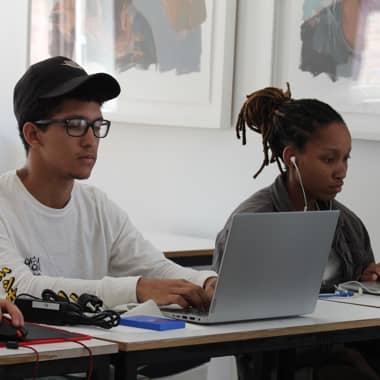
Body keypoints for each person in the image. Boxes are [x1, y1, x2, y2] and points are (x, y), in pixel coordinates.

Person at [0, 55, 216, 313]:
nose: (91, 140)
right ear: (34, 134)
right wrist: (135, 290)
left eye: (97, 125)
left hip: (92, 350)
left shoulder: (96, 205)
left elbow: (154, 267)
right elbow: (19, 290)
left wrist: (206, 282)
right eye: (76, 125)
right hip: (29, 352)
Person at [213, 84, 380, 380]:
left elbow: (357, 305)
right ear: (292, 158)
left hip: (344, 349)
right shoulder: (252, 222)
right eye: (329, 159)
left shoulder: (348, 224)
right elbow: (233, 324)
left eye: (346, 158)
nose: (341, 171)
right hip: (289, 364)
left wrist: (366, 282)